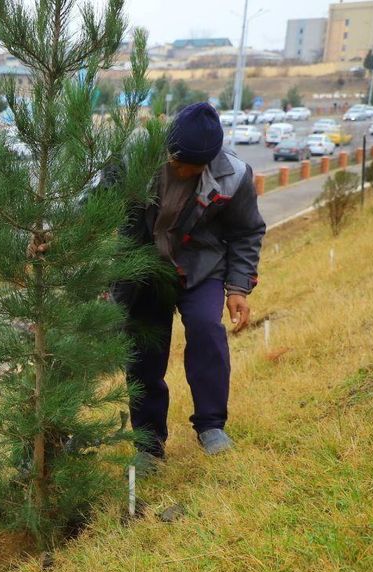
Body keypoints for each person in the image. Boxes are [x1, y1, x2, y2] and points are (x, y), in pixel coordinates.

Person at [118, 101, 265, 474]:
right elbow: (99, 212)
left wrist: (238, 289)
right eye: (177, 161)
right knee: (145, 352)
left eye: (193, 166)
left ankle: (211, 426)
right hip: (147, 270)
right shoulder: (139, 161)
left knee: (206, 329)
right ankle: (149, 445)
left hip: (202, 268)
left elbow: (247, 231)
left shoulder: (233, 175)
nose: (181, 169)